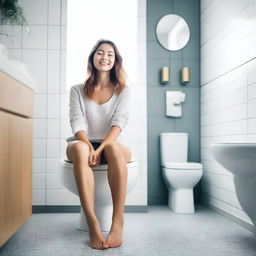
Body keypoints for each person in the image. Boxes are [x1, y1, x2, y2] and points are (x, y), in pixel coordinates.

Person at [66, 39, 132, 250]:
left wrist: (100, 148)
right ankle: (93, 223)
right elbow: (76, 123)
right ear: (93, 58)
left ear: (115, 60)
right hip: (85, 143)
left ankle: (117, 221)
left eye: (110, 54)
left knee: (112, 147)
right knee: (79, 148)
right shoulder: (77, 89)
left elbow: (119, 123)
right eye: (100, 53)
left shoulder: (123, 90)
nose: (105, 57)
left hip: (112, 144)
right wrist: (89, 146)